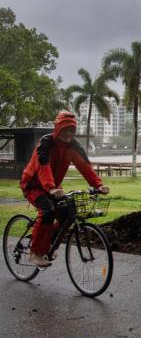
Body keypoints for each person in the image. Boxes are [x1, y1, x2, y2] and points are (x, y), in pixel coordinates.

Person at [20, 111, 110, 267]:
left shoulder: (73, 146)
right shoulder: (45, 144)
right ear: (58, 129)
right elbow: (43, 166)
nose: (69, 133)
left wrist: (98, 185)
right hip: (33, 185)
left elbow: (85, 166)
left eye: (71, 130)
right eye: (65, 129)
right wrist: (51, 188)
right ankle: (34, 252)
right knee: (47, 211)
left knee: (68, 213)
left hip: (53, 186)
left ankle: (48, 243)